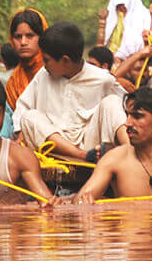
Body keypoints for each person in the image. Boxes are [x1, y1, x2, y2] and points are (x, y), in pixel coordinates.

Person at [13, 22, 128, 162]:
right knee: (29, 116)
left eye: (47, 60)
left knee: (112, 102)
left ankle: (132, 153)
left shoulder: (103, 79)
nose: (44, 65)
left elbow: (125, 109)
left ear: (65, 60)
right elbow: (22, 107)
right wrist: (20, 133)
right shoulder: (43, 75)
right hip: (52, 148)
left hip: (91, 145)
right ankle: (81, 156)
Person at [5, 8, 49, 110]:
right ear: (11, 39)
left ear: (42, 37)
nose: (23, 42)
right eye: (18, 37)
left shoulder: (55, 73)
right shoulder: (13, 82)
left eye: (30, 36)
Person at [105, 0, 152, 65]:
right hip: (111, 55)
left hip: (134, 57)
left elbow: (138, 39)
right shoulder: (115, 17)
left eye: (124, 5)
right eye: (119, 6)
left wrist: (120, 56)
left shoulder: (143, 16)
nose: (121, 8)